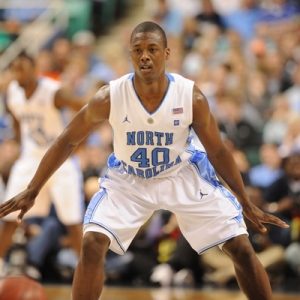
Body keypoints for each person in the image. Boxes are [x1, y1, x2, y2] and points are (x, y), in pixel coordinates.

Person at [0, 22, 289, 300]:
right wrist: (33, 188)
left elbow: (219, 152)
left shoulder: (191, 97)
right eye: (138, 50)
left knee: (240, 246)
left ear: (166, 53)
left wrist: (244, 201)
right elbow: (67, 139)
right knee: (91, 242)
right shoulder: (110, 96)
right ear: (130, 55)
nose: (145, 56)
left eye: (152, 48)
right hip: (129, 180)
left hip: (181, 175)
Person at [0, 52, 86, 276]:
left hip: (60, 159)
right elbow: (16, 116)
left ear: (34, 68)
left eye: (23, 68)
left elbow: (86, 107)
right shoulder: (12, 92)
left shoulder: (54, 92)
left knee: (72, 218)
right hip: (31, 157)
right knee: (9, 212)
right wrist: (19, 142)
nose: (19, 73)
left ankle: (86, 270)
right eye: (15, 69)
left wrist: (80, 142)